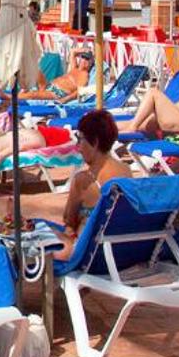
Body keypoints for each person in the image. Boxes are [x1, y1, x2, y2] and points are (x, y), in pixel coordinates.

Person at [51, 110, 129, 261]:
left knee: (40, 232)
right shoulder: (125, 170)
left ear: (95, 142)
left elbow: (69, 220)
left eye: (80, 140)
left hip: (90, 254)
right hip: (121, 251)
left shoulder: (84, 180)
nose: (78, 147)